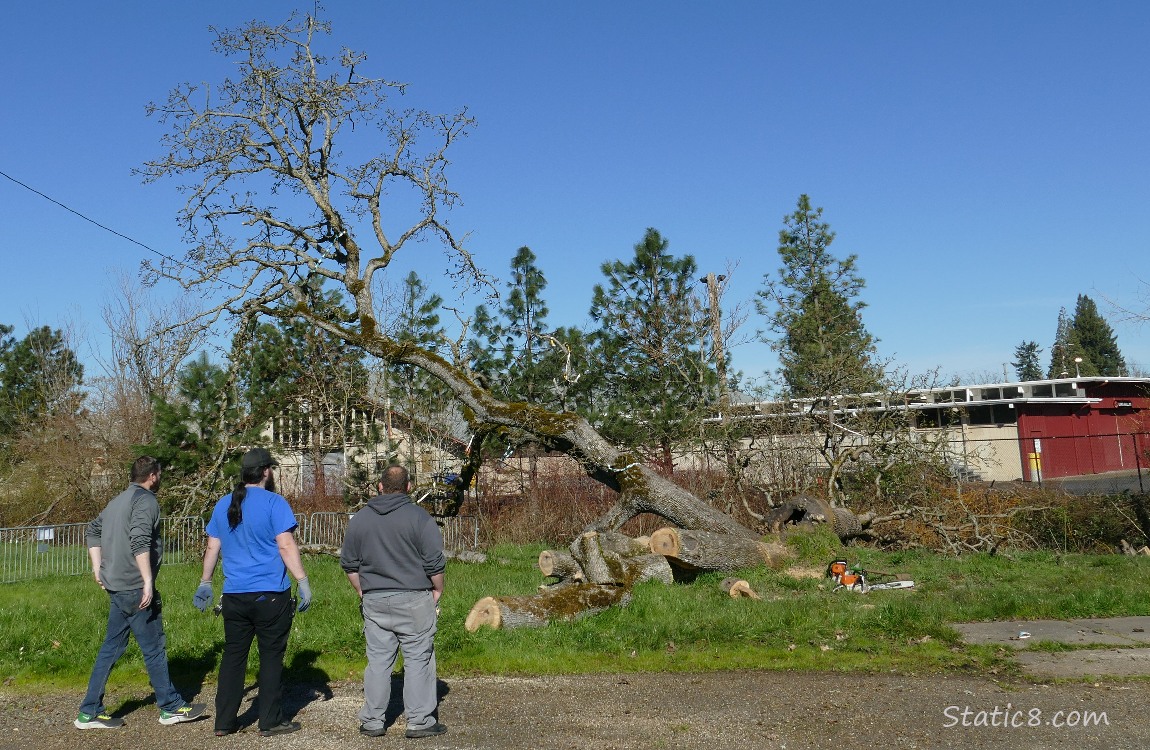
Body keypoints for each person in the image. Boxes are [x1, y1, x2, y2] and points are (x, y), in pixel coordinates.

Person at [76, 456, 207, 730]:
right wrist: (147, 581)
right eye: (160, 474)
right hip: (134, 587)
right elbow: (139, 540)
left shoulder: (117, 501)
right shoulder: (146, 501)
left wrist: (98, 568)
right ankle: (171, 707)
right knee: (154, 647)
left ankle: (88, 712)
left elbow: (92, 530)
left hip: (117, 586)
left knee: (111, 648)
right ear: (153, 476)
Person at [195, 447, 312, 738]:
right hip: (271, 594)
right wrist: (303, 579)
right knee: (271, 657)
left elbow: (213, 546)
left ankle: (224, 721)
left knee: (234, 655)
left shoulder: (223, 504)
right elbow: (285, 545)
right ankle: (269, 721)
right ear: (265, 472)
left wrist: (205, 581)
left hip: (234, 595)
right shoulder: (275, 502)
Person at [341, 464, 447, 739]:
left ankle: (373, 721)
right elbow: (434, 565)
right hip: (414, 598)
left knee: (378, 661)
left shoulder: (360, 519)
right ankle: (420, 721)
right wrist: (438, 590)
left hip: (375, 598)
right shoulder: (420, 518)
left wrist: (362, 591)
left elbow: (350, 565)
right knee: (418, 660)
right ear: (409, 487)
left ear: (379, 486)